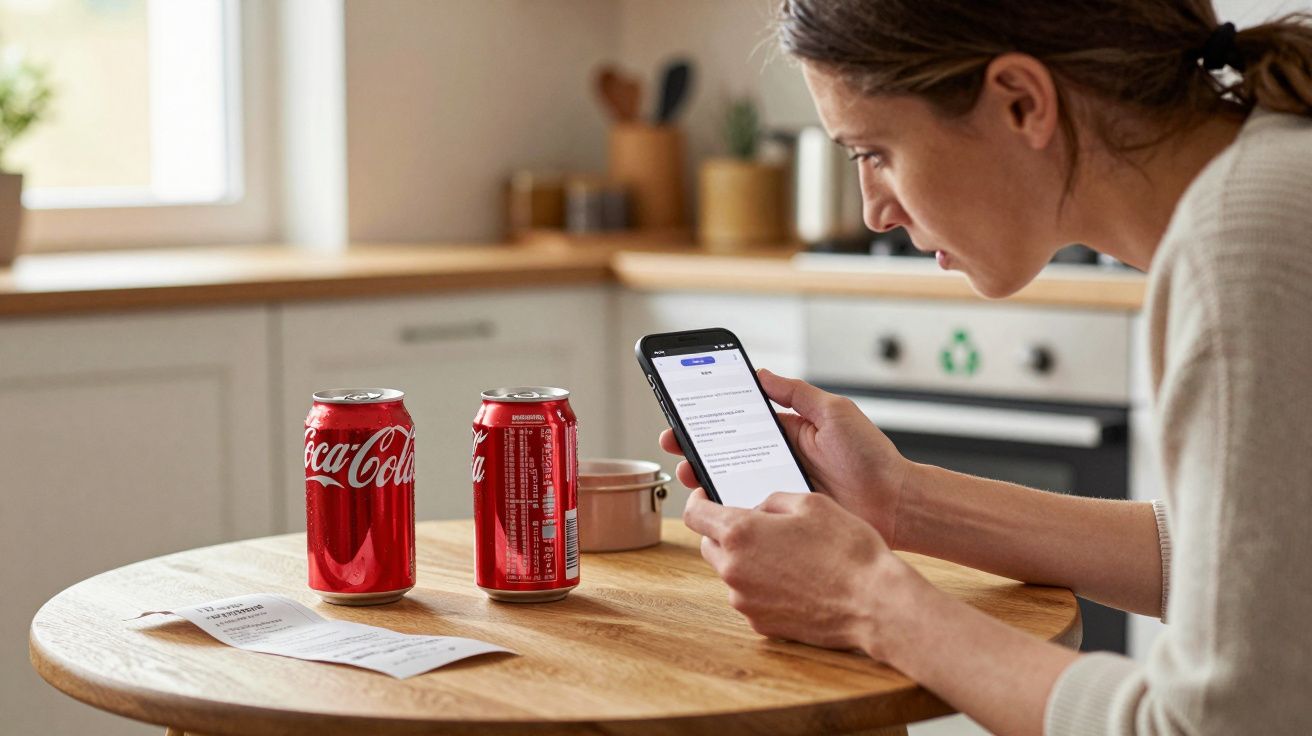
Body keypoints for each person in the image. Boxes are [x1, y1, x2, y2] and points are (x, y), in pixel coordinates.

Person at [662, 2, 1312, 734]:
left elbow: (1219, 726)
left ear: (1021, 102)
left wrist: (868, 603)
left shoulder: (1245, 251)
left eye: (874, 152)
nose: (874, 211)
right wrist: (900, 501)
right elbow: (1250, 570)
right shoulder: (1270, 177)